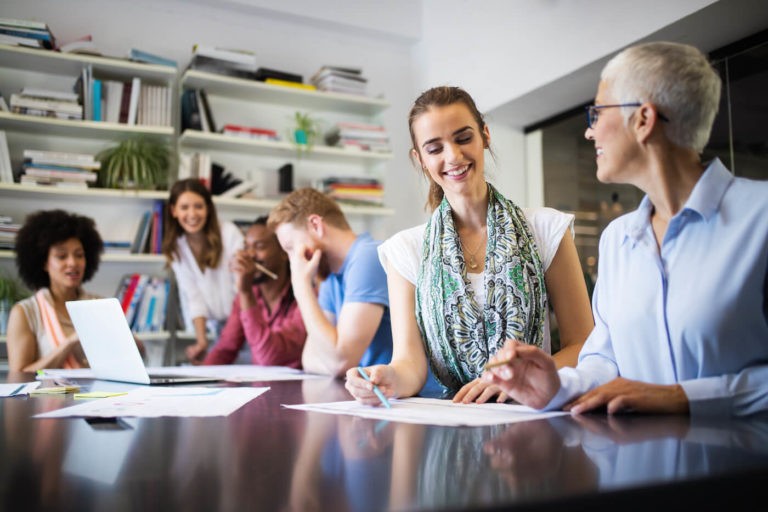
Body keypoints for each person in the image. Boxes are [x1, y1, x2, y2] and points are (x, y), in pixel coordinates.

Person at [484, 42, 768, 417]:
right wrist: (554, 385)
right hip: (638, 469)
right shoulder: (618, 239)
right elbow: (603, 361)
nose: (590, 132)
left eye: (597, 113)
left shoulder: (760, 218)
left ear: (643, 120)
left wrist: (682, 397)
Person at [345, 86, 594, 405]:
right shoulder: (405, 249)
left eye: (463, 138)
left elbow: (584, 343)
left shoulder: (546, 228)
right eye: (434, 149)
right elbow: (410, 365)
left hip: (532, 414)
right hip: (452, 421)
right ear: (419, 159)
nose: (453, 157)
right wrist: (384, 378)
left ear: (485, 136)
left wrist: (523, 377)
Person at [267, 187, 392, 377]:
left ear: (316, 225)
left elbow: (339, 362)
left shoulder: (368, 256)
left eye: (291, 248)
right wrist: (331, 362)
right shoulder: (330, 276)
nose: (293, 261)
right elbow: (309, 358)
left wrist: (301, 287)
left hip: (415, 398)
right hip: (371, 393)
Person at [6, 209, 103, 371]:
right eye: (62, 256)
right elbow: (19, 374)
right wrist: (70, 342)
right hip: (49, 396)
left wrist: (131, 341)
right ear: (44, 262)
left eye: (79, 255)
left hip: (102, 395)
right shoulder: (25, 312)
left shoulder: (100, 305)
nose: (73, 263)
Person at [203, 216, 306, 367]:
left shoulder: (305, 297)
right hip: (262, 387)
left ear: (285, 252)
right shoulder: (248, 296)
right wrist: (195, 382)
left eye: (259, 246)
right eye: (246, 247)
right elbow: (225, 349)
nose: (249, 255)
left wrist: (245, 292)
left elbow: (269, 358)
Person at [162, 178, 243, 363]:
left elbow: (241, 288)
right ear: (173, 211)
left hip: (243, 322)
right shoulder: (177, 248)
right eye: (184, 207)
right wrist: (202, 341)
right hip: (220, 331)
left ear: (208, 208)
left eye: (198, 206)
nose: (192, 214)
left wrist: (228, 338)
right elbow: (194, 297)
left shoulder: (229, 233)